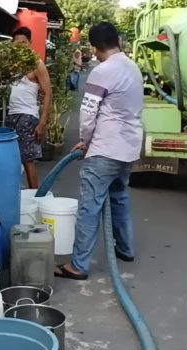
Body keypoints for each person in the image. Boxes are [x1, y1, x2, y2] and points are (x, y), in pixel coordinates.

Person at [54, 22, 144, 280]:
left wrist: (85, 141)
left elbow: (88, 112)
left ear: (93, 46)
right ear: (118, 39)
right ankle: (126, 249)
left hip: (105, 148)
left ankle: (78, 266)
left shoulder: (102, 71)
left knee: (89, 207)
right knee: (119, 197)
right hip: (128, 148)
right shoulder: (133, 68)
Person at [6, 27, 53, 190]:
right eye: (17, 43)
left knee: (27, 159)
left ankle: (35, 197)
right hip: (12, 115)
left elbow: (48, 93)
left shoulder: (36, 63)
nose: (20, 46)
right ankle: (15, 193)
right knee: (12, 158)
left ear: (30, 43)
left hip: (27, 116)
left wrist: (42, 123)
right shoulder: (10, 64)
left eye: (24, 43)